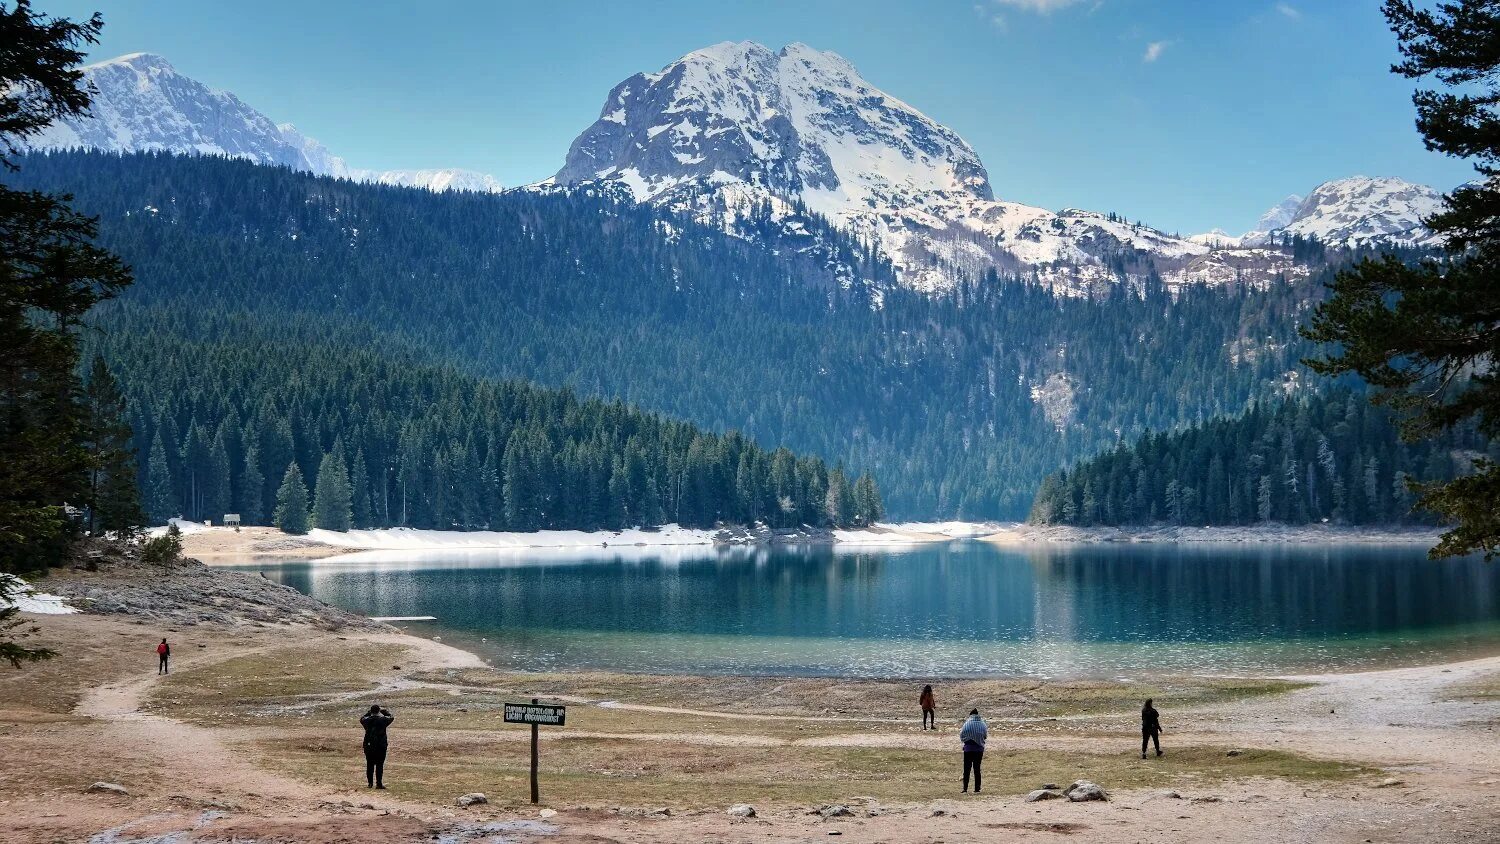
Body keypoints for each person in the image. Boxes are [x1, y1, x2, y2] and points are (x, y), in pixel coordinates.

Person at [360, 704, 395, 788]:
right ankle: (379, 783)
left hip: (369, 745)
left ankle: (370, 783)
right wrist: (384, 711)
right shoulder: (383, 720)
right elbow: (391, 717)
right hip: (380, 745)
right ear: (378, 711)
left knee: (369, 764)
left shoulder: (367, 721)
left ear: (371, 712)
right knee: (380, 764)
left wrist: (368, 713)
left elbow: (361, 718)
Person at [959, 708, 987, 793]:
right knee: (977, 769)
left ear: (971, 715)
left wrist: (967, 740)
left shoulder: (967, 723)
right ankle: (977, 788)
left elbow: (962, 735)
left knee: (966, 769)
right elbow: (985, 736)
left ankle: (965, 788)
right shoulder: (983, 724)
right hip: (979, 749)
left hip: (968, 749)